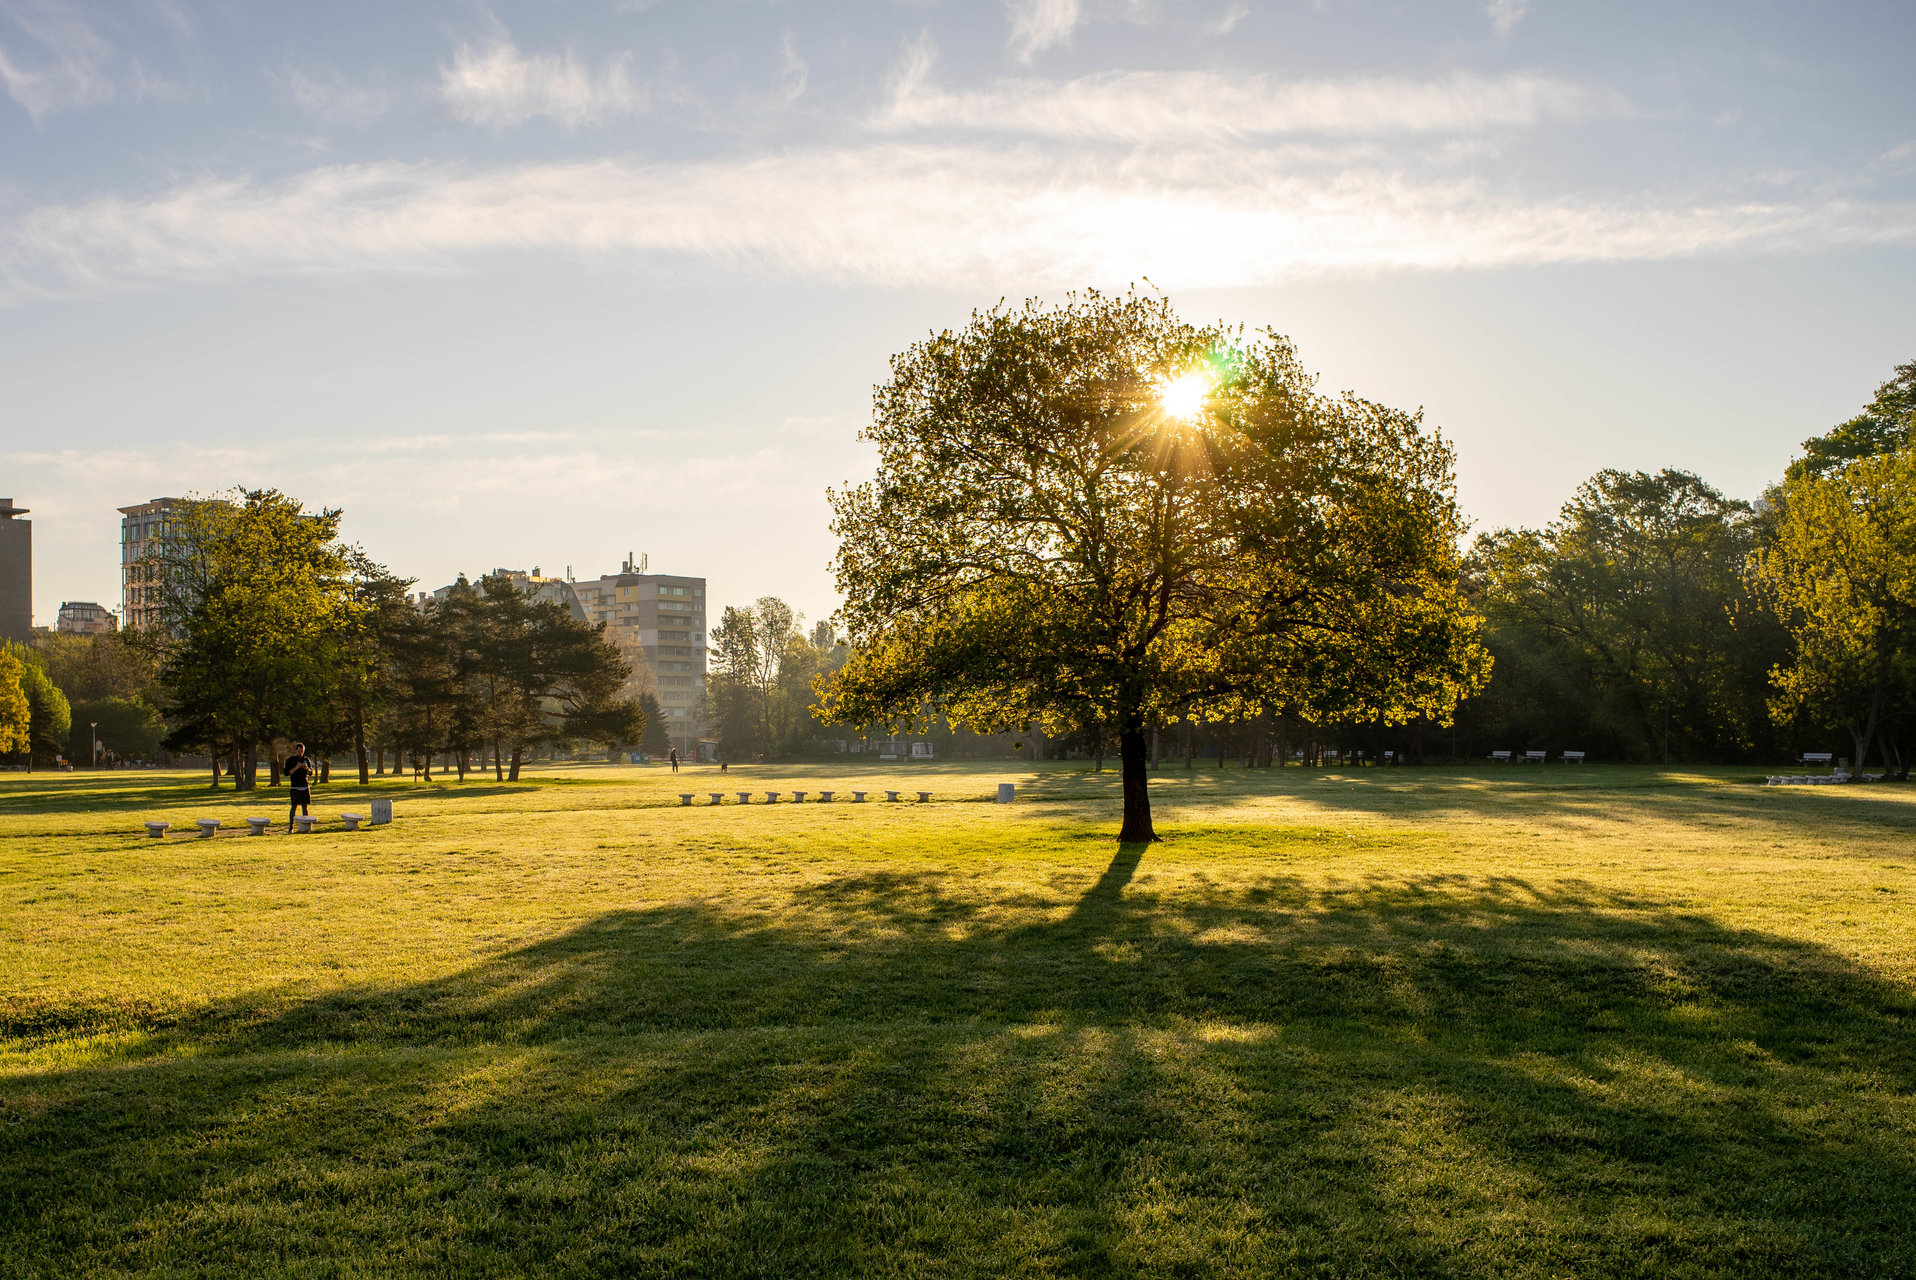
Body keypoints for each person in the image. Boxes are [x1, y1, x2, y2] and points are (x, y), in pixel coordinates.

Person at [285, 743, 315, 831]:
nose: (300, 753)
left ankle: (306, 826)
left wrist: (306, 769)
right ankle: (291, 827)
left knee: (305, 807)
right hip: (295, 787)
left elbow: (310, 773)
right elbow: (287, 773)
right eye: (298, 751)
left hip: (305, 786)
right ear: (295, 751)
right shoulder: (290, 760)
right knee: (294, 806)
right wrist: (296, 767)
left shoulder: (306, 759)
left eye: (302, 752)